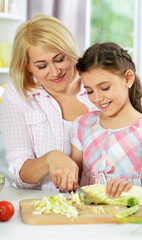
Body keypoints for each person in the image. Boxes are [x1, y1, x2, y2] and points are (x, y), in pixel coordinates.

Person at [0, 14, 97, 192]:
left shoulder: (97, 82)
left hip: (101, 202)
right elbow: (19, 174)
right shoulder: (17, 95)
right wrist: (49, 159)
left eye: (60, 59)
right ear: (27, 66)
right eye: (41, 66)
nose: (55, 72)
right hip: (46, 205)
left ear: (69, 50)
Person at [71, 42, 142, 202]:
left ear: (128, 79)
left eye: (104, 88)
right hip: (86, 217)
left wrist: (135, 190)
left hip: (126, 219)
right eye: (89, 91)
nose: (97, 98)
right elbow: (73, 180)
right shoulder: (82, 125)